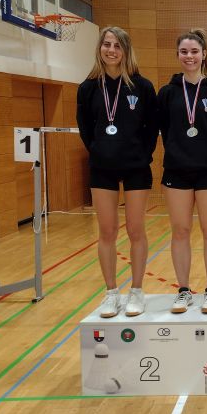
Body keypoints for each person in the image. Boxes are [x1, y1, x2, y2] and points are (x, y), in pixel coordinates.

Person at [76, 27, 157, 318]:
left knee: (136, 230)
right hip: (102, 169)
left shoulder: (142, 86)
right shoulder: (88, 88)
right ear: (100, 48)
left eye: (117, 46)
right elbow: (85, 128)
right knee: (107, 231)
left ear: (125, 50)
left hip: (136, 167)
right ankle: (111, 293)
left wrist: (141, 154)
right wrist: (100, 150)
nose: (111, 50)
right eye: (106, 44)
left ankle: (137, 291)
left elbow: (151, 127)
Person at [157, 28, 207, 314]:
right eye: (184, 51)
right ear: (178, 55)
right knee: (180, 231)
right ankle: (184, 290)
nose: (189, 56)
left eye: (194, 51)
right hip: (177, 171)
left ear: (204, 54)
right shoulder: (167, 93)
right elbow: (165, 129)